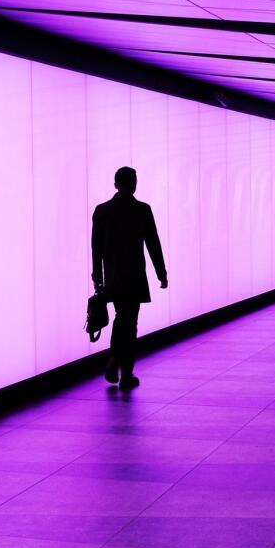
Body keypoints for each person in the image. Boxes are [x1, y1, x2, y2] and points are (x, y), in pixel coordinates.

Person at [91, 166, 167, 390]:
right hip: (134, 276)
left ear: (116, 184)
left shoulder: (102, 211)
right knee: (129, 321)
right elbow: (153, 244)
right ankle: (126, 374)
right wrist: (161, 273)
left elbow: (96, 248)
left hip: (113, 276)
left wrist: (97, 277)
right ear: (134, 184)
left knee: (121, 317)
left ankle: (115, 359)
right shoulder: (142, 210)